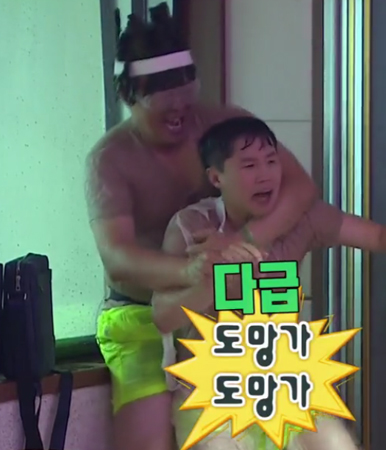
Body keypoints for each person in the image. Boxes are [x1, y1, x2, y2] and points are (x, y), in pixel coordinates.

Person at [84, 4, 318, 450]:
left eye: (185, 89)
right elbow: (118, 259)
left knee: (285, 427)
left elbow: (300, 188)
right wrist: (190, 272)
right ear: (129, 96)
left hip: (230, 307)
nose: (179, 107)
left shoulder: (225, 124)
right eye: (161, 96)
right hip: (142, 314)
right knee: (151, 438)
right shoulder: (109, 159)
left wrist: (244, 243)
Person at [152, 116, 386, 449]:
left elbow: (377, 235)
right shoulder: (192, 226)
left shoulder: (300, 218)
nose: (265, 175)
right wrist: (209, 279)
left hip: (285, 379)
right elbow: (162, 316)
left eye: (271, 161)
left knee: (339, 445)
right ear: (216, 177)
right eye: (249, 165)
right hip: (213, 386)